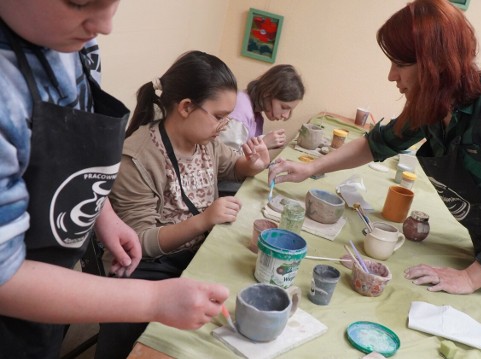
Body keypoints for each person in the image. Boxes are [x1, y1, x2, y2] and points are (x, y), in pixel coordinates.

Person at [268, 1, 481, 358]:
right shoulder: (434, 104)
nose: (392, 76)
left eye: (401, 64)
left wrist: (471, 277)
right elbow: (378, 143)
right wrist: (312, 169)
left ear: (437, 62)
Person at [0, 1, 228, 357]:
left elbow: (70, 151)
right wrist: (152, 299)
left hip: (55, 278)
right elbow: (5, 277)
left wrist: (102, 211)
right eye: (79, 1)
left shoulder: (77, 44)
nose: (105, 26)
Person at [96, 50, 270, 358]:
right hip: (147, 266)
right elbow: (139, 242)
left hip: (192, 252)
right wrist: (203, 220)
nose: (223, 126)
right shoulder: (137, 158)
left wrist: (252, 165)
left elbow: (231, 166)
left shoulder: (206, 141)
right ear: (187, 107)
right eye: (219, 116)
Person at [217, 64, 304, 195]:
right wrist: (263, 143)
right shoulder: (240, 112)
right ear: (268, 93)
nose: (285, 115)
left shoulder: (255, 111)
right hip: (220, 183)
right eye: (284, 107)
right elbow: (224, 163)